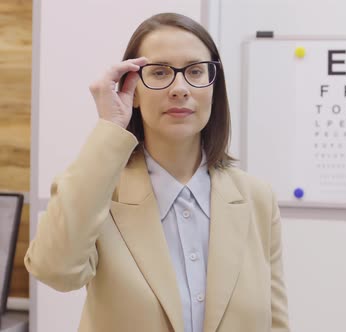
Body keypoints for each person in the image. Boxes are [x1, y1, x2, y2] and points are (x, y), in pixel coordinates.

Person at [24, 12, 290, 332]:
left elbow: (275, 323)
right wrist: (110, 126)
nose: (179, 88)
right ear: (133, 89)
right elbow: (55, 270)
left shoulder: (256, 199)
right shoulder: (98, 192)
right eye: (160, 72)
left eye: (194, 71)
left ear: (214, 88)